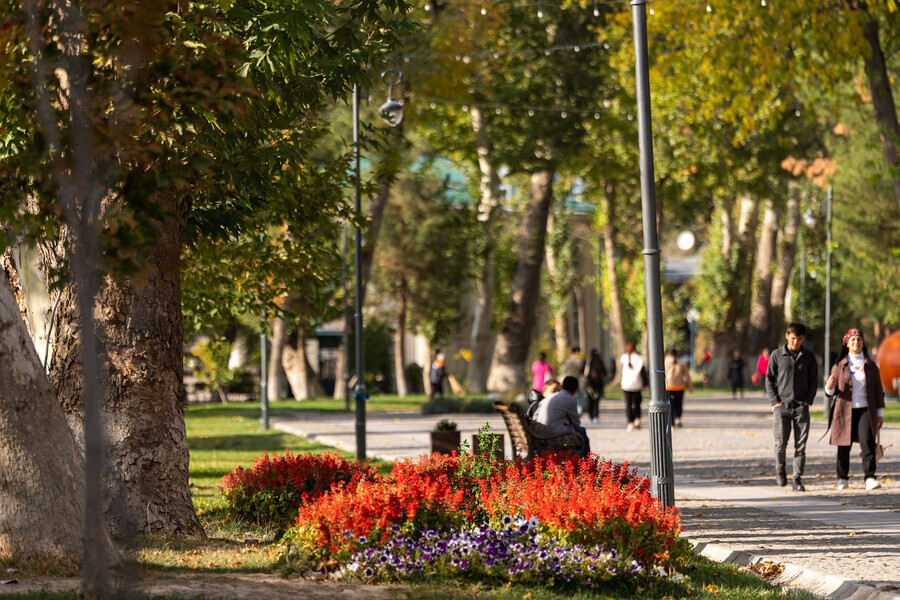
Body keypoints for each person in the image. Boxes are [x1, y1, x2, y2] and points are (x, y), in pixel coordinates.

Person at [824, 329, 885, 491]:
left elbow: (879, 391)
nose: (856, 343)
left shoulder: (871, 365)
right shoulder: (840, 365)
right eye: (853, 340)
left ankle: (870, 477)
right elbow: (830, 392)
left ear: (863, 342)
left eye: (859, 340)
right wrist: (829, 387)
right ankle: (842, 478)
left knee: (867, 443)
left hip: (866, 409)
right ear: (847, 343)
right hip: (844, 410)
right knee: (844, 445)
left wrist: (880, 414)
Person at [766, 322, 818, 492]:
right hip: (782, 407)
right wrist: (775, 401)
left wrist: (808, 400)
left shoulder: (808, 357)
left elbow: (814, 380)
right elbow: (769, 379)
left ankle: (797, 478)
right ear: (787, 336)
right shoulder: (776, 355)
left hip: (801, 407)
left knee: (800, 446)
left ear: (803, 339)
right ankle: (780, 469)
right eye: (793, 338)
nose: (796, 342)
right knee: (780, 444)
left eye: (799, 339)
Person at [530, 375, 590, 457]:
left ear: (562, 386)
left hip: (537, 435)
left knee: (580, 431)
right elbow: (576, 423)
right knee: (582, 432)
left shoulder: (549, 397)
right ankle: (585, 463)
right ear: (575, 391)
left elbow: (535, 417)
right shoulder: (570, 399)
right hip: (552, 437)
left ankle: (584, 463)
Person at [619, 342, 646, 431]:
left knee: (628, 404)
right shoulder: (639, 358)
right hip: (637, 384)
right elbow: (643, 372)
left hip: (626, 384)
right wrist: (645, 384)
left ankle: (630, 422)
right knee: (637, 403)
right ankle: (637, 419)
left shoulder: (623, 357)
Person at [665, 348, 693, 428]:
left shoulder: (664, 362)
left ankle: (672, 424)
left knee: (670, 405)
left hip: (669, 387)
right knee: (679, 404)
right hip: (679, 387)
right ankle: (678, 418)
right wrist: (690, 386)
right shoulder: (681, 363)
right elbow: (687, 375)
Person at [584, 348, 607, 423]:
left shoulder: (588, 362)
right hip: (598, 384)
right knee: (596, 401)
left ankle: (589, 415)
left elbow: (583, 372)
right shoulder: (600, 362)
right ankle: (595, 416)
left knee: (590, 400)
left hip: (590, 384)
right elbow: (605, 372)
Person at [563, 346, 586, 416]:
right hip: (578, 379)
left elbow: (565, 370)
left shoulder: (567, 361)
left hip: (569, 379)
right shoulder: (580, 360)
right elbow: (582, 371)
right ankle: (579, 410)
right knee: (581, 395)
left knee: (569, 395)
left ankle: (569, 409)